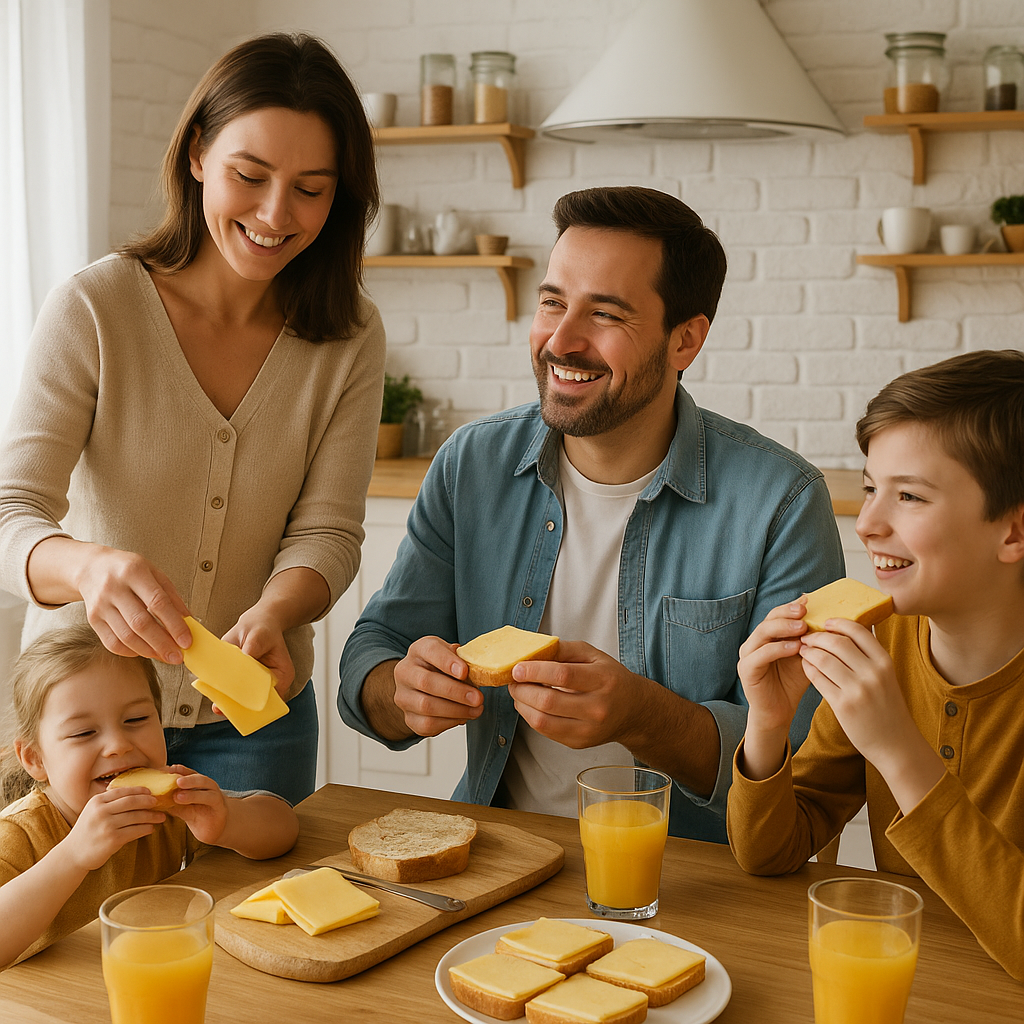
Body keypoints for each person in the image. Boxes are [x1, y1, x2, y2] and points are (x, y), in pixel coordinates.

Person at [338, 186, 844, 842]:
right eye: (552, 302)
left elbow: (800, 759)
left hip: (694, 879)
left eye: (605, 314)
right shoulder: (472, 465)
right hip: (501, 852)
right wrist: (400, 689)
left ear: (685, 340)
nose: (562, 340)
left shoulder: (780, 501)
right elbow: (368, 655)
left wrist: (641, 715)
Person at [0, 33, 386, 803]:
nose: (277, 213)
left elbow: (329, 532)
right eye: (251, 175)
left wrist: (276, 612)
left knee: (256, 922)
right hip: (86, 715)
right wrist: (88, 566)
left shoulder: (349, 338)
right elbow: (12, 511)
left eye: (311, 188)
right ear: (199, 154)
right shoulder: (95, 308)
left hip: (254, 720)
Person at [727, 350, 1024, 980]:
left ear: (1014, 532)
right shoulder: (882, 639)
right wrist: (769, 725)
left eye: (910, 496)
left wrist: (899, 752)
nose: (866, 524)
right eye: (869, 488)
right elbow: (771, 852)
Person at [0, 624, 298, 967]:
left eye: (136, 719)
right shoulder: (19, 834)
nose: (118, 746)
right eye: (83, 733)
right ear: (35, 759)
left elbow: (285, 827)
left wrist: (228, 820)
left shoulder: (165, 807)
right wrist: (73, 855)